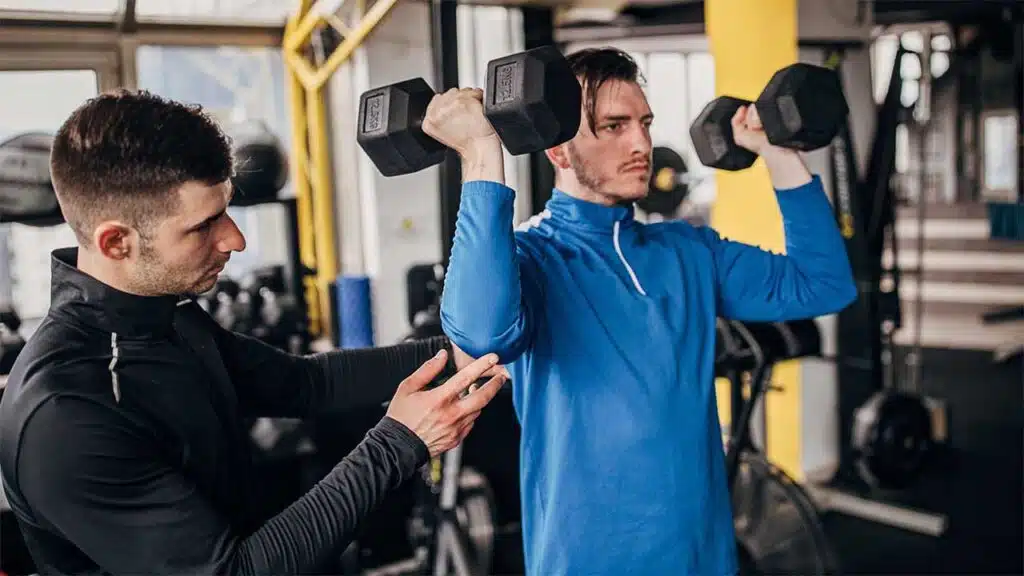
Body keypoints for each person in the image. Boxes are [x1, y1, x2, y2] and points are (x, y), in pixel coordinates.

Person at [0, 89, 507, 575]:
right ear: (116, 242)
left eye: (228, 210)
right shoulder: (67, 414)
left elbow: (304, 384)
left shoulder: (162, 314)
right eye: (205, 225)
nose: (236, 239)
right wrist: (400, 442)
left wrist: (469, 349)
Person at [424, 47, 858, 575]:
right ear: (559, 150)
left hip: (703, 554)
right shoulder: (533, 259)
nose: (642, 144)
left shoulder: (688, 250)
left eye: (645, 123)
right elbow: (480, 337)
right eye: (614, 126)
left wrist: (775, 151)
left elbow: (823, 285)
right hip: (588, 561)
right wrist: (480, 154)